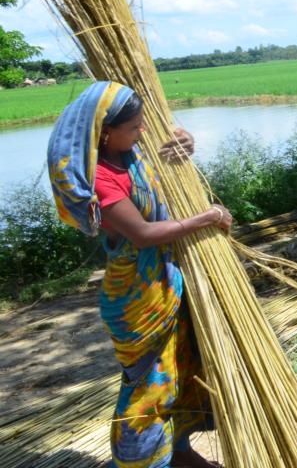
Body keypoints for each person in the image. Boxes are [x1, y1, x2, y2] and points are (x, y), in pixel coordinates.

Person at [47, 81, 230, 468]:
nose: (142, 132)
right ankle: (138, 461)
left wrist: (184, 143)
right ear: (105, 132)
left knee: (180, 370)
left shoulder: (130, 154)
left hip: (167, 283)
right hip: (137, 297)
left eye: (143, 124)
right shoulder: (97, 178)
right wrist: (207, 217)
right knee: (149, 386)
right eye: (134, 127)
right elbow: (143, 234)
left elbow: (165, 165)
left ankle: (178, 453)